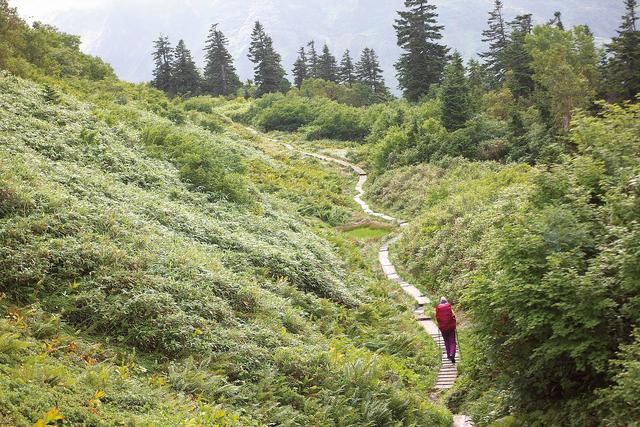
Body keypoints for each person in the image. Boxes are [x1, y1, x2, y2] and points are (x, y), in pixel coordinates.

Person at [435, 297, 457, 364]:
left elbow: (437, 318)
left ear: (440, 302)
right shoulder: (449, 307)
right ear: (446, 301)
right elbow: (454, 316)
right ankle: (452, 354)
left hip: (443, 328)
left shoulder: (438, 308)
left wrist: (439, 325)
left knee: (446, 341)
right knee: (452, 341)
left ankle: (448, 355)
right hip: (451, 328)